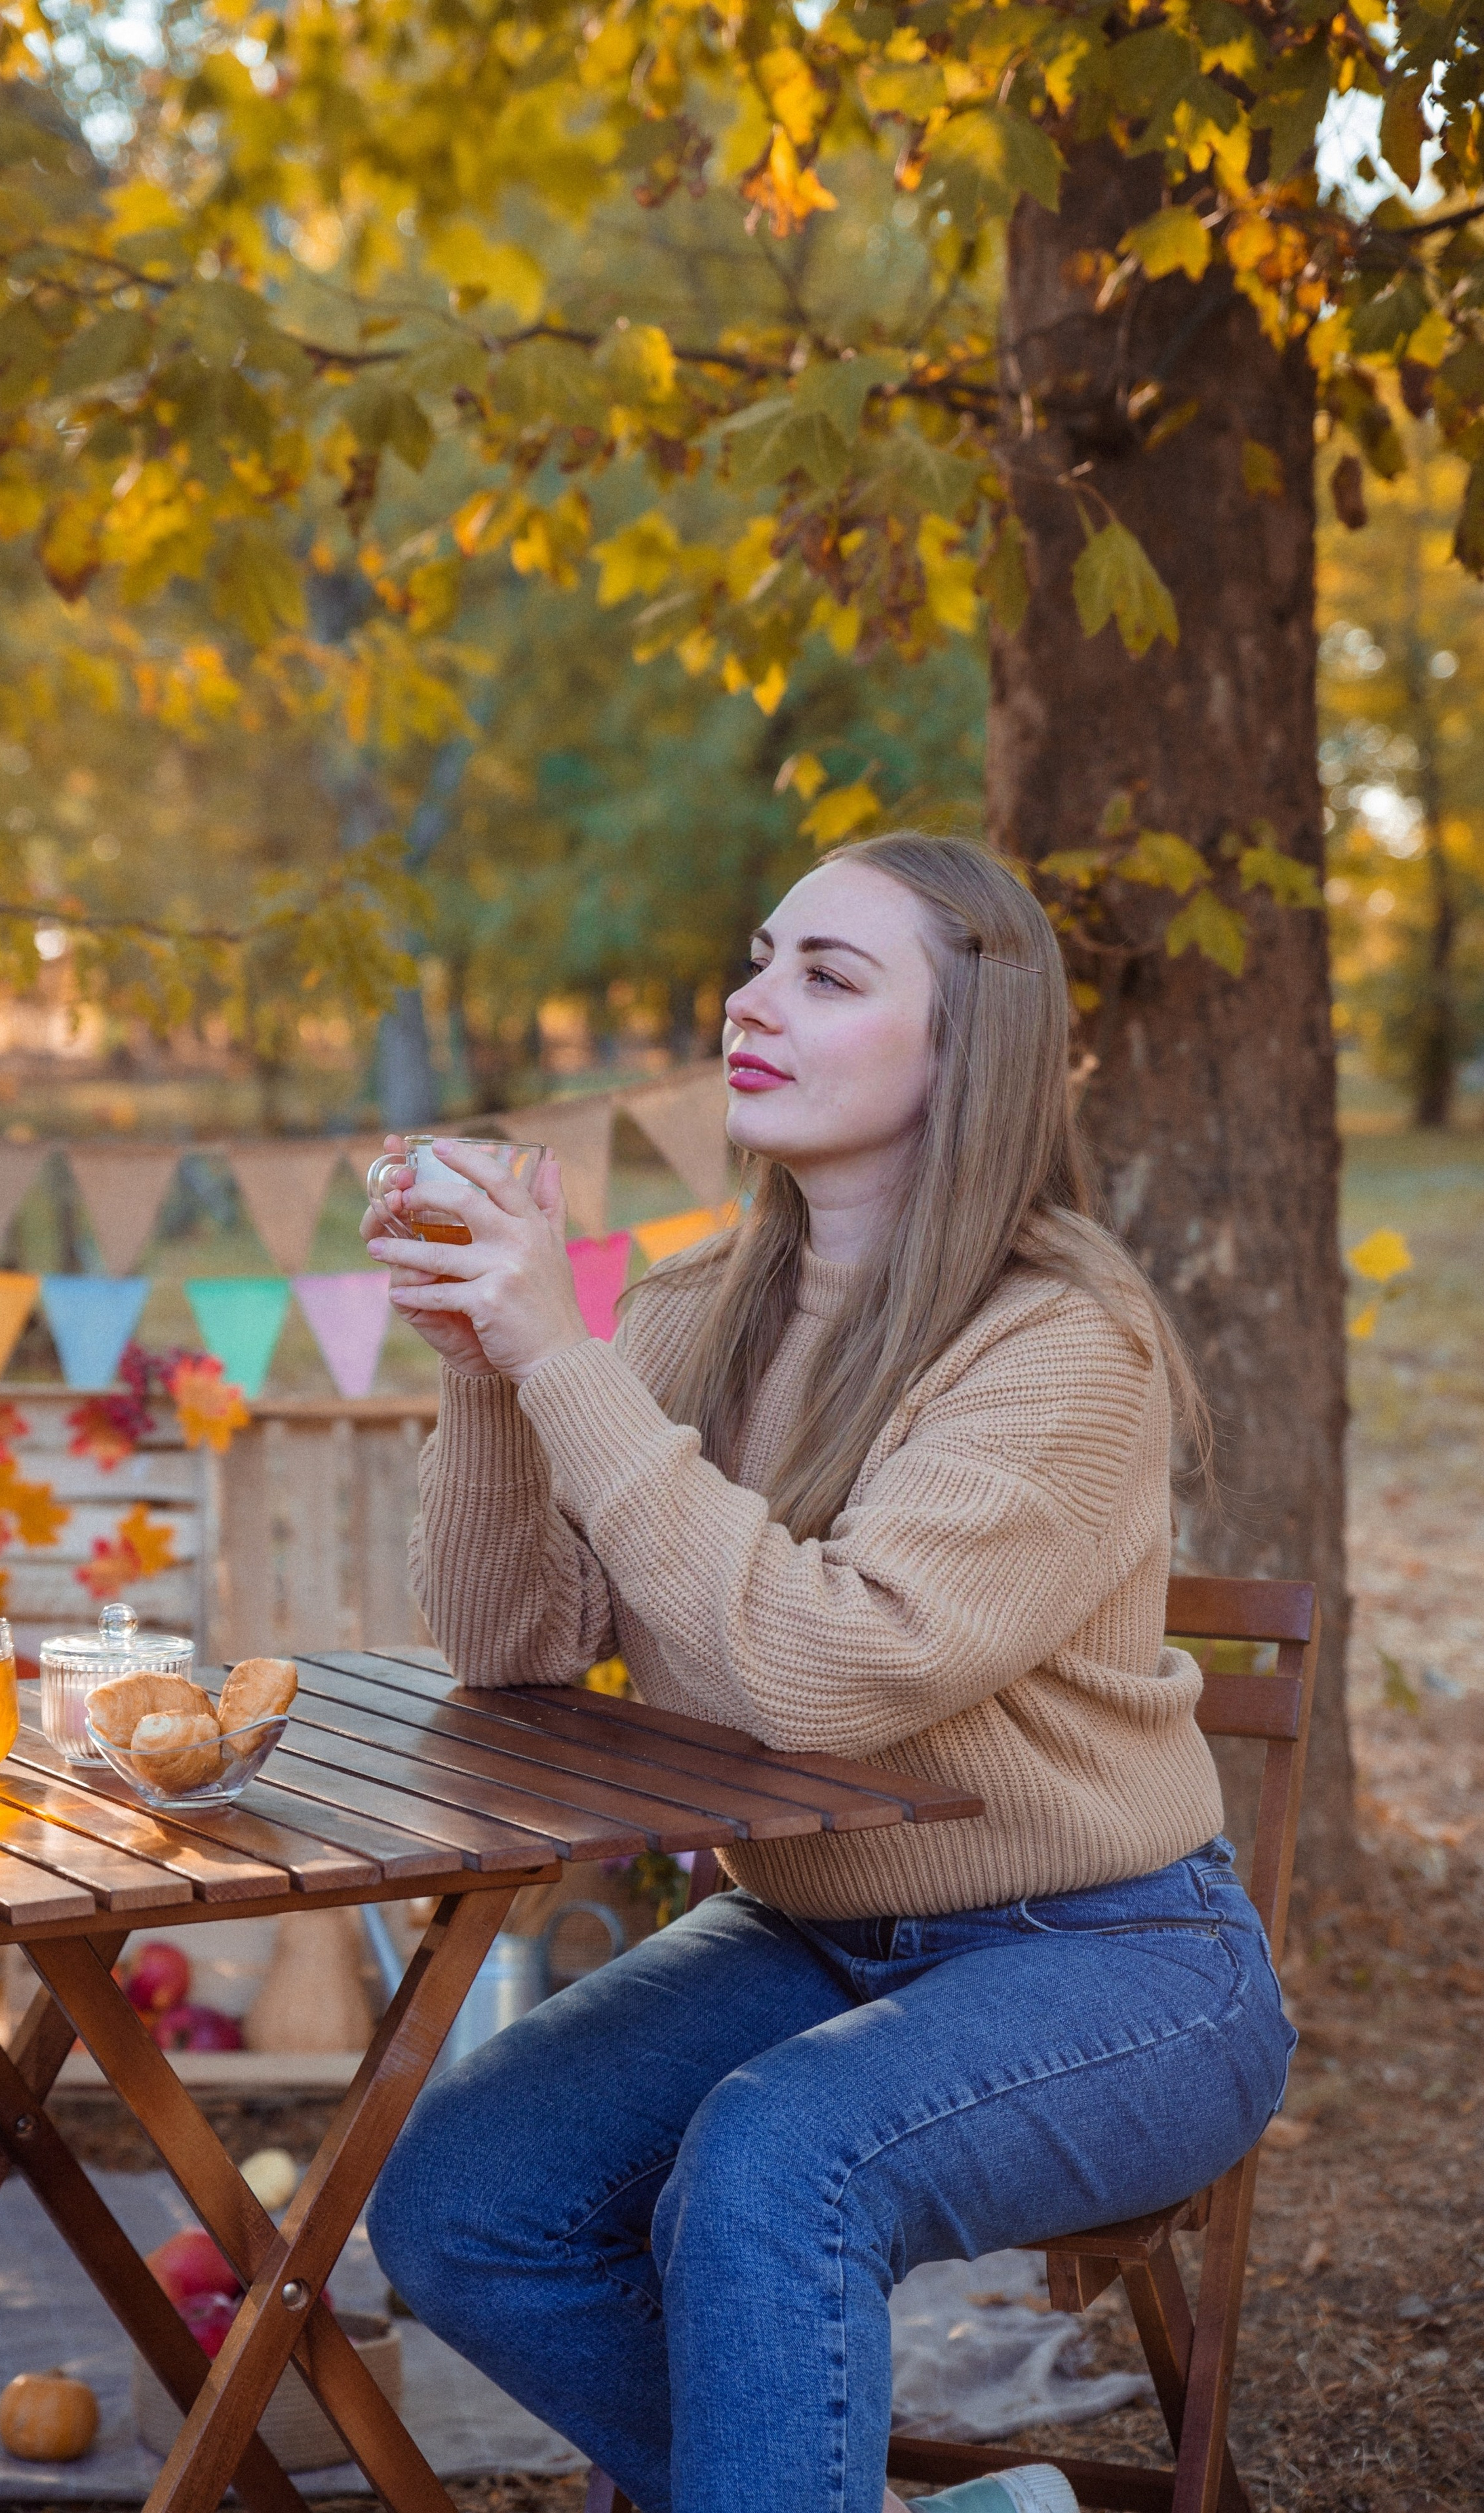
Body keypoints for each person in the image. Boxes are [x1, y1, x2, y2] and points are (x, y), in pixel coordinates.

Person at [361, 835, 1295, 2513]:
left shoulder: (1063, 1343)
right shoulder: (691, 1315)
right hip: (811, 1930)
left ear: (964, 1051)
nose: (748, 999)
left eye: (827, 975)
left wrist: (558, 1357)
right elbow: (513, 1653)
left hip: (1120, 1964)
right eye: (760, 954)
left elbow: (820, 1678)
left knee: (771, 2162)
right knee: (459, 2199)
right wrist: (490, 1380)